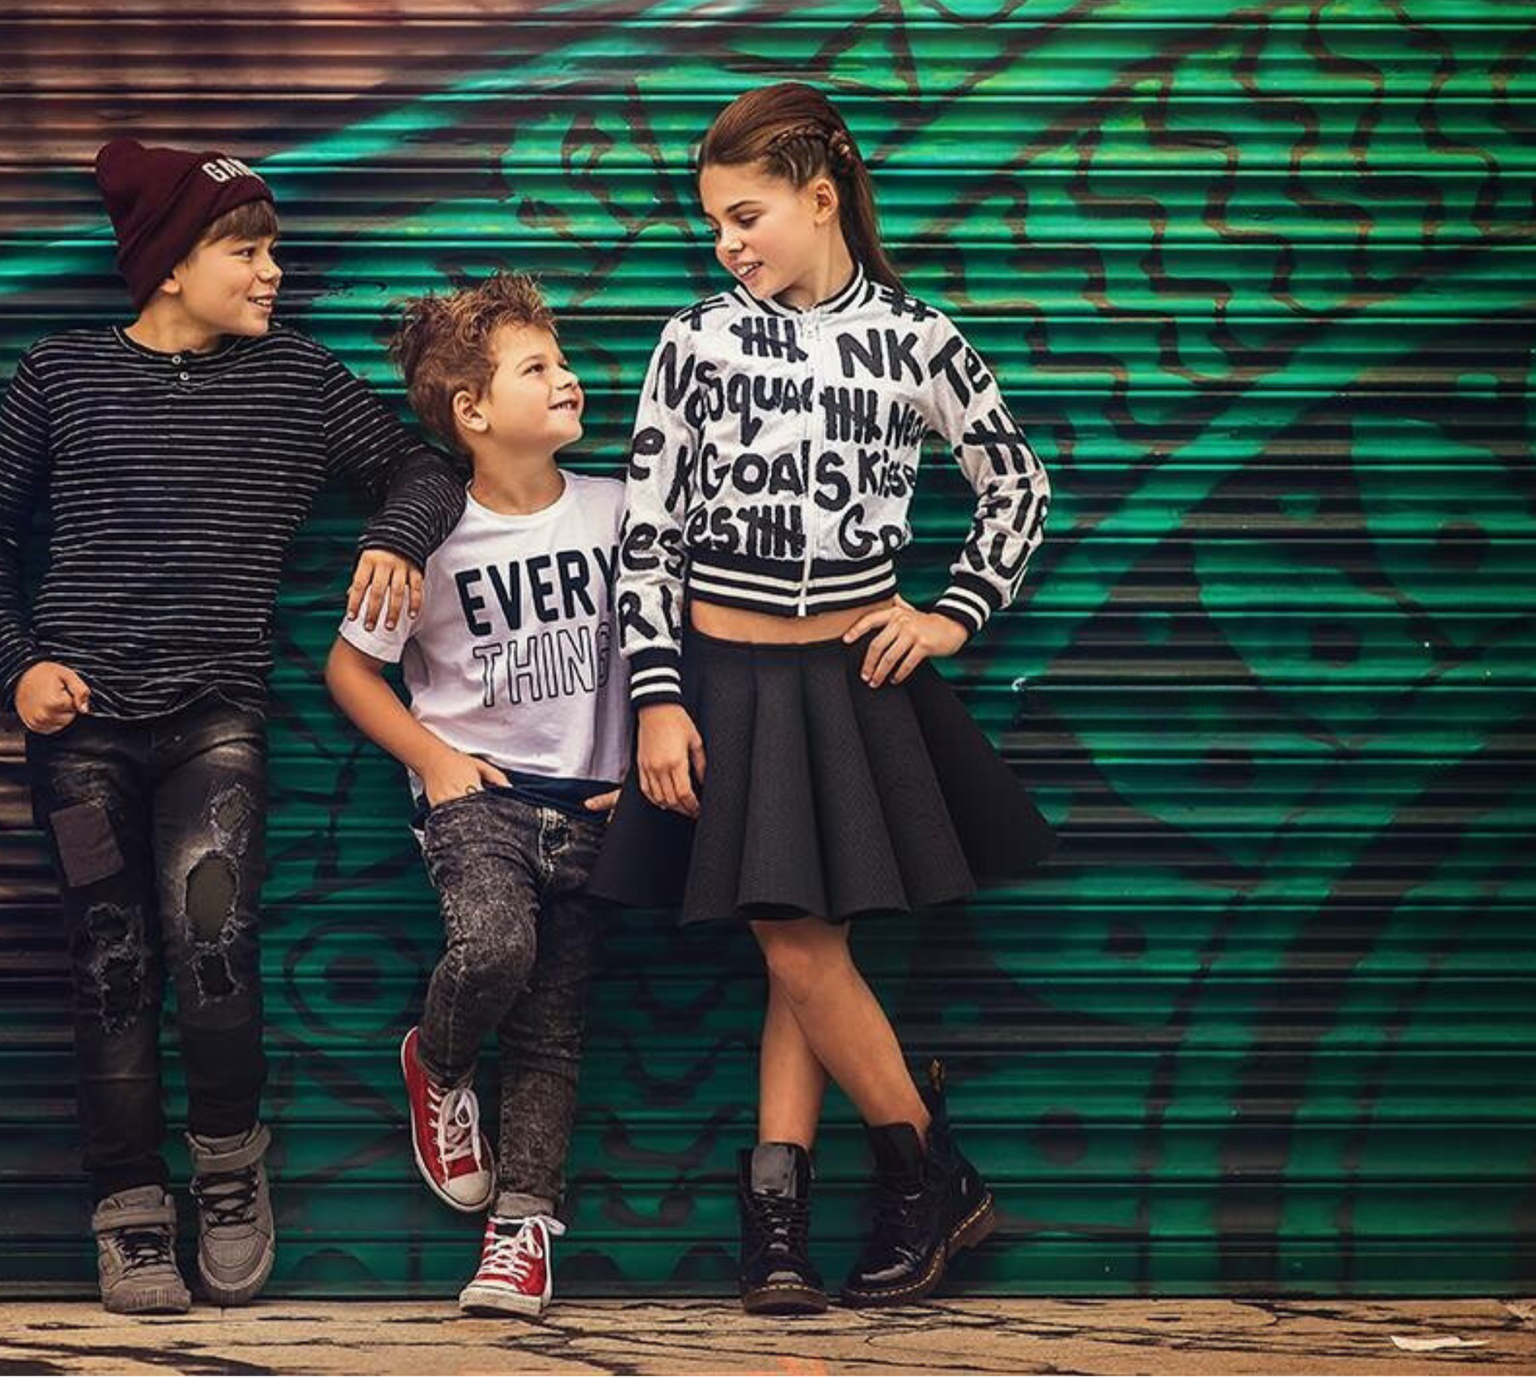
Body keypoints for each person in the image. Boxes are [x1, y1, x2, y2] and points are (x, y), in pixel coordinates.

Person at [0, 139, 466, 1315]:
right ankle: (130, 1210)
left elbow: (422, 473)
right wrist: (18, 664)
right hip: (78, 730)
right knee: (110, 969)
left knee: (214, 956)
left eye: (271, 246)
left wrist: (392, 536)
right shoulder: (61, 376)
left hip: (214, 722)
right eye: (247, 249)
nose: (273, 269)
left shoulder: (296, 380)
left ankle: (230, 1172)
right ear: (171, 266)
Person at [590, 81, 1059, 1314]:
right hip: (722, 680)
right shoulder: (694, 339)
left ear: (819, 196)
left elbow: (1015, 483)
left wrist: (951, 612)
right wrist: (655, 696)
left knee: (806, 943)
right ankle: (908, 1175)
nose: (726, 244)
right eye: (713, 226)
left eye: (745, 216)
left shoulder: (917, 337)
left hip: (850, 682)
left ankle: (804, 1210)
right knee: (798, 941)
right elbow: (647, 533)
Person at [325, 272, 628, 1318]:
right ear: (471, 410)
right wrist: (435, 760)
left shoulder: (619, 511)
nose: (569, 378)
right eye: (536, 367)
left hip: (595, 804)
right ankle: (438, 1056)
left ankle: (521, 1235)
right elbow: (349, 669)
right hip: (477, 801)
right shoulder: (429, 536)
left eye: (563, 359)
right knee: (495, 950)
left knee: (553, 1031)